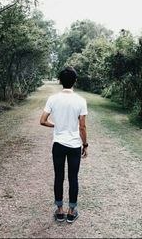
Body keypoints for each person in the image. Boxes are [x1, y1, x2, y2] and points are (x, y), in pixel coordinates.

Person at [40, 67, 88, 224]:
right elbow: (82, 127)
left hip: (58, 144)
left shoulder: (53, 99)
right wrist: (85, 144)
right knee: (73, 178)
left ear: (60, 81)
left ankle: (59, 211)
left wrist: (56, 125)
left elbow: (42, 120)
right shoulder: (81, 100)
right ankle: (71, 211)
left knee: (58, 177)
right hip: (74, 145)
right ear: (75, 81)